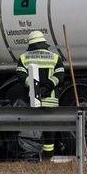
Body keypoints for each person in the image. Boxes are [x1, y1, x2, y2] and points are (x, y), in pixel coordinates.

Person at [15, 30, 65, 161]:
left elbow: (20, 75)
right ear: (43, 43)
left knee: (32, 128)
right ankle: (48, 157)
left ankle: (32, 155)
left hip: (32, 99)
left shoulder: (24, 57)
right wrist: (48, 87)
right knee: (49, 130)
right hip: (50, 100)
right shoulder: (54, 57)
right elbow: (60, 75)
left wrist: (34, 87)